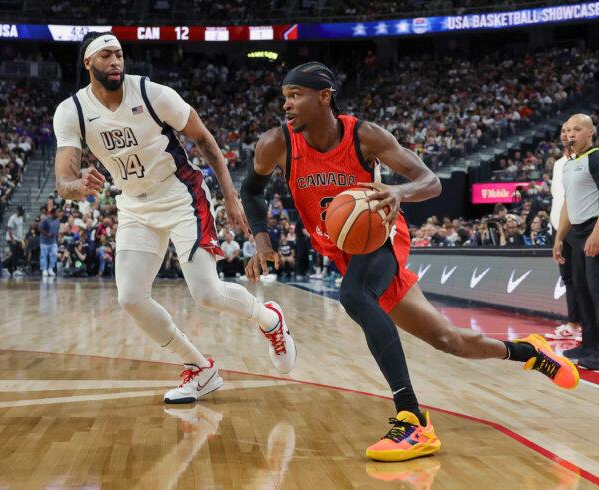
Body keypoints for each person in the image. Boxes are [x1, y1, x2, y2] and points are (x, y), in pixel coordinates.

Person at [241, 62, 578, 462]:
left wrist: (400, 193)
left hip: (382, 236)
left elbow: (430, 181)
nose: (287, 105)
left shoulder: (364, 135)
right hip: (344, 252)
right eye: (285, 97)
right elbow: (252, 191)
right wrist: (261, 240)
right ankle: (530, 352)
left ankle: (412, 418)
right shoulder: (275, 144)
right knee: (448, 340)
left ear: (325, 97)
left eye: (296, 95)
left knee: (354, 295)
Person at [52, 32, 296, 404]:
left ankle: (270, 320)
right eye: (105, 55)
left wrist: (231, 197)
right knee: (131, 297)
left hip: (181, 195)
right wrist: (76, 185)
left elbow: (207, 141)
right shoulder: (72, 111)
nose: (115, 61)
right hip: (134, 205)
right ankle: (201, 368)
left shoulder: (153, 93)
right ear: (88, 63)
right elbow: (63, 181)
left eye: (118, 54)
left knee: (206, 293)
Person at [554, 113, 599, 369]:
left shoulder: (596, 158)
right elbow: (568, 204)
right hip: (577, 233)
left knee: (597, 292)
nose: (571, 134)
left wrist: (596, 234)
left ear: (590, 133)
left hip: (595, 229)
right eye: (568, 130)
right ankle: (590, 345)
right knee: (582, 291)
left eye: (577, 129)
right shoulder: (569, 164)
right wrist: (560, 238)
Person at [546, 124, 582, 341]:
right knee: (569, 279)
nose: (567, 135)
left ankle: (589, 328)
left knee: (584, 279)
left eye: (573, 131)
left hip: (579, 226)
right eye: (564, 132)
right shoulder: (559, 164)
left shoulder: (587, 160)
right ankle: (574, 323)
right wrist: (557, 232)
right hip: (559, 228)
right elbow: (558, 198)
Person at [39, 207, 60, 277]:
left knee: (54, 254)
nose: (58, 213)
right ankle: (44, 270)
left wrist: (57, 236)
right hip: (44, 241)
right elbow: (40, 228)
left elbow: (57, 229)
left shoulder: (58, 220)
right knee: (43, 256)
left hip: (53, 241)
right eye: (57, 212)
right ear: (53, 213)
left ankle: (50, 269)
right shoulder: (46, 220)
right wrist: (47, 234)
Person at [5, 206, 25, 277]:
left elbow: (20, 229)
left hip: (18, 238)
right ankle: (14, 270)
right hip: (11, 239)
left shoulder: (21, 218)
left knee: (18, 254)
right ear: (17, 211)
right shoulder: (12, 218)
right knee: (14, 254)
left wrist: (22, 240)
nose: (22, 212)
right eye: (21, 211)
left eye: (23, 211)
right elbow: (9, 229)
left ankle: (7, 267)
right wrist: (12, 240)